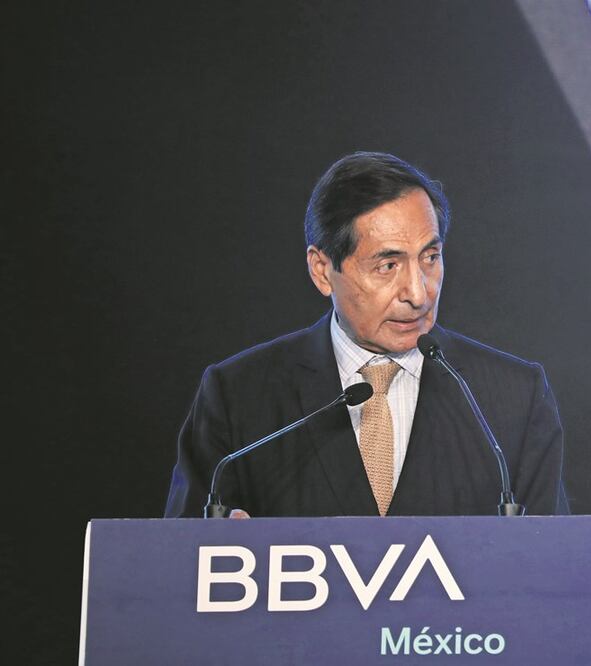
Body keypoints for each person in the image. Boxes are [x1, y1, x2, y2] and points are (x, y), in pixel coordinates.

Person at [165, 151, 569, 517]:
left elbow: (558, 562)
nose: (418, 294)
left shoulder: (513, 398)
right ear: (322, 271)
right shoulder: (239, 396)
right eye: (387, 266)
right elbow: (178, 562)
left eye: (430, 258)